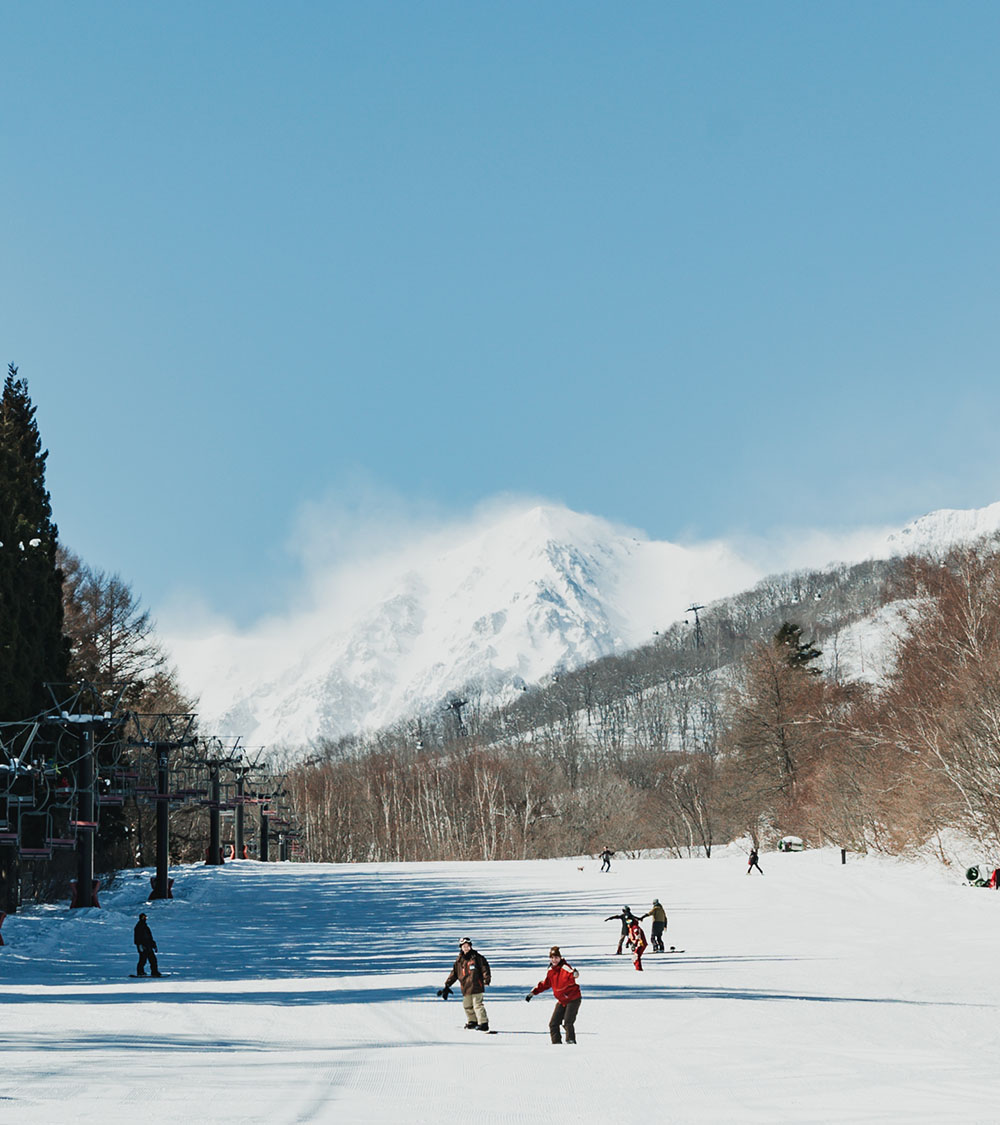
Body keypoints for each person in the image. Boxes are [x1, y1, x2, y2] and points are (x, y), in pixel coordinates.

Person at [526, 945, 581, 1044]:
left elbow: (571, 973)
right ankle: (556, 1045)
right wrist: (533, 992)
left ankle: (571, 1042)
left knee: (568, 1022)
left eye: (556, 957)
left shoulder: (565, 967)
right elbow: (545, 984)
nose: (554, 960)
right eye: (552, 958)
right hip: (562, 1000)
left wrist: (574, 974)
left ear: (560, 958)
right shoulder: (551, 971)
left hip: (573, 999)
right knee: (553, 1024)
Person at [438, 936, 491, 1031]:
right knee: (467, 1005)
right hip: (465, 987)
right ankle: (472, 1021)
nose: (466, 948)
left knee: (477, 1005)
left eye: (467, 946)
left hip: (476, 985)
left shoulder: (477, 958)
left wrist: (486, 979)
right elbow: (454, 973)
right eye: (463, 946)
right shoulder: (459, 961)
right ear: (461, 948)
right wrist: (447, 984)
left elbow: (485, 968)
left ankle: (483, 1023)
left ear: (470, 946)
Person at [133, 912, 161, 977]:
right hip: (143, 946)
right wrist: (139, 945)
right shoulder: (138, 926)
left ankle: (154, 972)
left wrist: (153, 944)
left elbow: (149, 937)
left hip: (148, 946)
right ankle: (140, 972)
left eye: (146, 917)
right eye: (144, 917)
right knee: (143, 960)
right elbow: (137, 937)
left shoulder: (146, 927)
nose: (145, 918)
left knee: (153, 959)